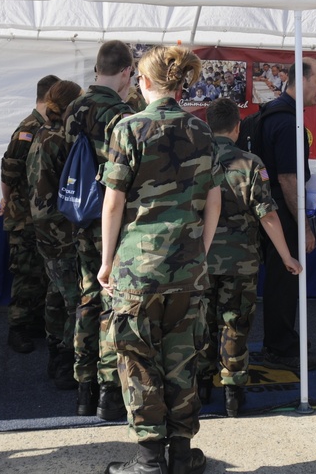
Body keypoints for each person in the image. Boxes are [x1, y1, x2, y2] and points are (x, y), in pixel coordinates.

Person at [99, 44, 222, 474]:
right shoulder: (201, 131)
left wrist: (106, 260)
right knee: (182, 360)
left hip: (138, 269)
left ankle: (149, 460)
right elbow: (213, 200)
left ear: (144, 81)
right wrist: (201, 251)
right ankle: (182, 456)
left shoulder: (128, 129)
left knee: (138, 361)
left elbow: (113, 203)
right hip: (187, 267)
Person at [198, 97, 302, 418]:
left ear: (206, 125)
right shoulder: (250, 162)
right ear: (237, 126)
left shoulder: (194, 160)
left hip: (199, 259)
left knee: (201, 323)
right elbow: (267, 215)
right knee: (235, 322)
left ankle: (201, 385)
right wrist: (287, 256)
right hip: (240, 260)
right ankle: (233, 392)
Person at [63, 40, 135, 419]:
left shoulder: (73, 108)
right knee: (111, 301)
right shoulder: (122, 114)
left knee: (87, 296)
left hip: (79, 215)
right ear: (126, 72)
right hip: (110, 219)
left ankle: (83, 388)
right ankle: (109, 391)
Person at [257, 58, 316, 371]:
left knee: (280, 280)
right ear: (300, 80)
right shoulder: (287, 121)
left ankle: (282, 337)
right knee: (285, 279)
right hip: (281, 209)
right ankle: (280, 346)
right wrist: (305, 227)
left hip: (272, 206)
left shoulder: (276, 113)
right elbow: (288, 179)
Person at [26, 79, 84, 391]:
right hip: (62, 228)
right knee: (73, 297)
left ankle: (55, 354)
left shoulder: (41, 132)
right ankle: (66, 361)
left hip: (43, 225)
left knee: (55, 292)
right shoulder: (64, 137)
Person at [0, 74, 60, 354]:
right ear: (50, 99)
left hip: (39, 216)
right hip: (24, 216)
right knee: (25, 273)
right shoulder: (29, 128)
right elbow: (8, 172)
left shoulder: (46, 126)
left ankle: (33, 322)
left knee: (39, 274)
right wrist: (9, 203)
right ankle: (17, 328)